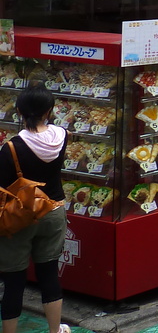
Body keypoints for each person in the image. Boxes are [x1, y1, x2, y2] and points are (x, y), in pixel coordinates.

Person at [0, 86, 68, 333]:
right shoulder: (62, 136)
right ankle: (55, 329)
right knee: (49, 273)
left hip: (21, 216)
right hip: (54, 211)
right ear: (49, 111)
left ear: (18, 111)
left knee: (14, 280)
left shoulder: (11, 147)